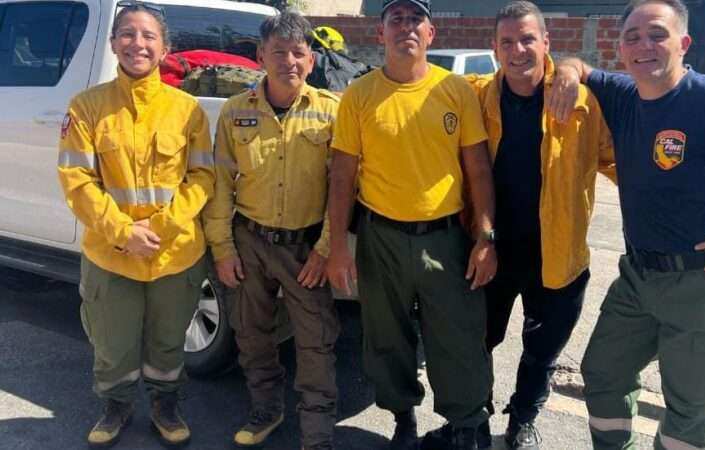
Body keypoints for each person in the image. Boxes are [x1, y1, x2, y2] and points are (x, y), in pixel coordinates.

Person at [551, 0, 705, 448]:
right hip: (638, 276)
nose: (644, 45)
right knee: (603, 372)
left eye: (657, 34)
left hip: (704, 280)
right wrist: (568, 72)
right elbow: (575, 64)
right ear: (621, 49)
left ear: (683, 43)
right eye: (632, 37)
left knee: (690, 407)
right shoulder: (623, 94)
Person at [325, 1, 497, 449]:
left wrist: (485, 237)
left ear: (431, 34)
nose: (406, 27)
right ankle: (403, 419)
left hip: (445, 238)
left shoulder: (455, 90)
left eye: (415, 19)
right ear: (380, 34)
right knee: (386, 337)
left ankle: (465, 425)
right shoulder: (360, 95)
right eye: (396, 19)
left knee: (456, 338)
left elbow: (478, 169)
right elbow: (342, 174)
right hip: (380, 237)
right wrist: (339, 248)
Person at [453, 2, 617, 449]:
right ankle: (475, 415)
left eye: (528, 39)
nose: (518, 49)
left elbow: (623, 163)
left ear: (547, 43)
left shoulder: (582, 103)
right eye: (507, 41)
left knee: (541, 353)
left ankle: (522, 418)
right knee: (476, 342)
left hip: (559, 255)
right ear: (494, 49)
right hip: (489, 249)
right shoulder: (473, 97)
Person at [57, 3, 215, 448]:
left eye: (148, 36)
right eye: (127, 34)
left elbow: (203, 177)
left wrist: (161, 228)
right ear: (113, 44)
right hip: (112, 252)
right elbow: (76, 180)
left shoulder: (188, 110)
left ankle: (166, 405)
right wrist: (123, 231)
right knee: (113, 343)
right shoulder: (87, 107)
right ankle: (116, 407)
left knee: (168, 344)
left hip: (175, 251)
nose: (137, 43)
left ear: (165, 48)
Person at [202, 11, 340, 450]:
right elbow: (221, 184)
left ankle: (317, 433)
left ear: (312, 60)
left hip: (305, 249)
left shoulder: (331, 112)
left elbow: (344, 188)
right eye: (278, 52)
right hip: (250, 241)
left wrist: (325, 249)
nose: (289, 61)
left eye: (298, 52)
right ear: (260, 56)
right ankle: (266, 409)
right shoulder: (235, 111)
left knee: (316, 343)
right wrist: (222, 249)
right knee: (251, 332)